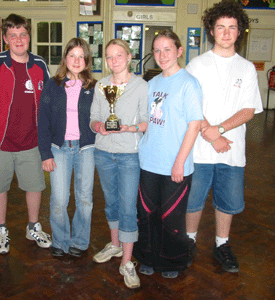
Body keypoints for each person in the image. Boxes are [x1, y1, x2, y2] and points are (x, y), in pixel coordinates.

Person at [185, 0, 263, 273]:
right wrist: (210, 134)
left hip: (231, 150)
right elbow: (191, 106)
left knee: (227, 203)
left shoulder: (247, 68)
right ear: (211, 31)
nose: (227, 32)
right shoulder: (196, 65)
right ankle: (189, 241)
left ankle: (221, 244)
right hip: (198, 150)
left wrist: (218, 131)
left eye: (232, 27)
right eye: (221, 27)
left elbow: (248, 110)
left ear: (240, 31)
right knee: (193, 201)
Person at [0, 14, 52, 254]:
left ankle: (33, 226)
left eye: (23, 34)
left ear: (29, 37)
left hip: (31, 142)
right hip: (0, 142)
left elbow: (50, 101)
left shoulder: (39, 64)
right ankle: (1, 229)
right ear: (5, 39)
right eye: (13, 36)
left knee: (35, 187)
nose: (19, 40)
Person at [132, 29, 203, 279]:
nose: (162, 55)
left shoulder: (189, 83)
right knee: (146, 214)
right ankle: (148, 257)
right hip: (149, 161)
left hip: (176, 164)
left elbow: (194, 125)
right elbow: (145, 120)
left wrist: (179, 163)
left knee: (170, 218)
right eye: (157, 50)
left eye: (167, 49)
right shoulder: (151, 84)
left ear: (179, 51)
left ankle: (172, 261)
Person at [90, 38, 149, 289]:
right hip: (103, 152)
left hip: (128, 155)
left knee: (127, 207)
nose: (114, 61)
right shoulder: (101, 85)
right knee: (111, 202)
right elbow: (93, 117)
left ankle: (126, 261)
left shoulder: (141, 85)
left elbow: (146, 122)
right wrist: (98, 126)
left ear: (129, 57)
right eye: (110, 57)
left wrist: (129, 128)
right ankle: (114, 245)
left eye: (119, 55)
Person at [38, 38, 97, 258]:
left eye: (81, 56)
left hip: (86, 149)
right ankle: (61, 241)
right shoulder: (52, 85)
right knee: (59, 199)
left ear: (87, 60)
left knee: (85, 199)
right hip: (59, 149)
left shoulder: (95, 87)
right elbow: (42, 121)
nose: (76, 60)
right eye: (72, 55)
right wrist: (45, 153)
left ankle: (80, 242)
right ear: (65, 58)